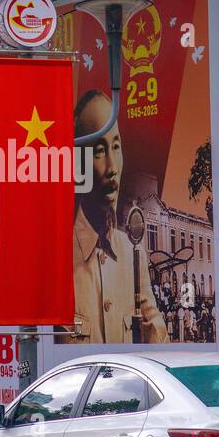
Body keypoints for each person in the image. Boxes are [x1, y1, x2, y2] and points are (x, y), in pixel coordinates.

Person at [59, 91, 166, 343]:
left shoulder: (132, 254)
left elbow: (157, 339)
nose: (112, 167)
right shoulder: (56, 258)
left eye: (116, 147)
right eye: (98, 151)